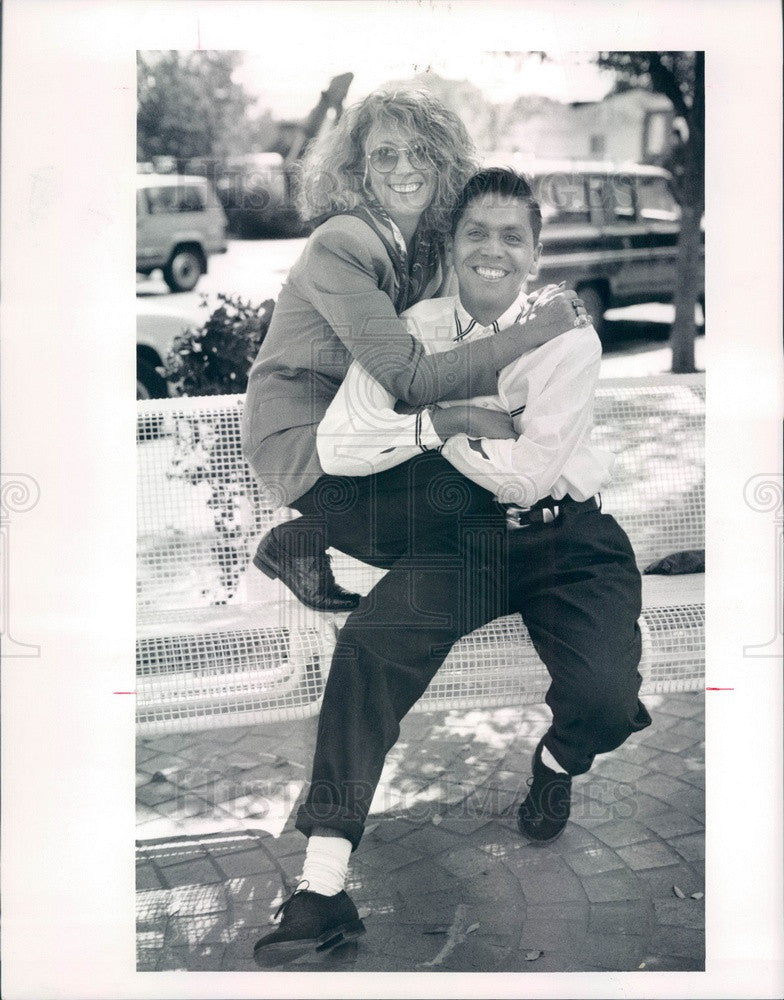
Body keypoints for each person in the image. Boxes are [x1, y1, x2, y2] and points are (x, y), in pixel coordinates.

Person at [251, 168, 651, 966]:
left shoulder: (566, 331)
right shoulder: (419, 328)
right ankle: (323, 889)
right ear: (454, 245)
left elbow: (532, 475)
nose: (492, 250)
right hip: (468, 538)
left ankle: (555, 764)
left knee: (605, 701)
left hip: (570, 538)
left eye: (512, 237)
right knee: (369, 648)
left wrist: (426, 430)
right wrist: (452, 417)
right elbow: (341, 446)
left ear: (536, 255)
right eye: (477, 233)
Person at [241, 90, 585, 612]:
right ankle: (306, 540)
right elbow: (411, 378)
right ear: (358, 167)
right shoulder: (342, 244)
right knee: (467, 512)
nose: (405, 167)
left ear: (443, 161)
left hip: (384, 428)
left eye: (421, 151)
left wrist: (537, 310)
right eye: (385, 154)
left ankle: (313, 546)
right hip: (307, 439)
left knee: (480, 506)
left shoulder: (428, 242)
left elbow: (465, 332)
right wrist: (524, 345)